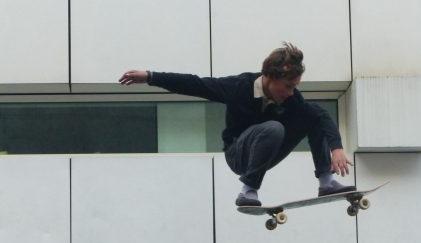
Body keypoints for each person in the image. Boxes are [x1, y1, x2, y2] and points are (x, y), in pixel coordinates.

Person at [119, 42, 355, 207]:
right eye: (288, 86)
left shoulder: (292, 99)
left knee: (312, 115)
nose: (291, 92)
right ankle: (248, 191)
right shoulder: (238, 87)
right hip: (238, 154)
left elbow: (321, 116)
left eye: (294, 86)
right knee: (274, 127)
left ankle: (325, 181)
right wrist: (150, 76)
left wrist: (336, 148)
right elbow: (194, 84)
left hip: (268, 151)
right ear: (270, 78)